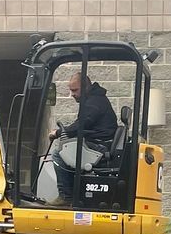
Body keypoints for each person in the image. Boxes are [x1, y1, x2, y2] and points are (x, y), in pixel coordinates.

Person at [48, 71, 119, 202]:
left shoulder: (94, 102)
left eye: (75, 90)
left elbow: (82, 124)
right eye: (71, 90)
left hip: (101, 145)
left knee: (59, 154)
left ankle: (66, 197)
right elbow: (81, 124)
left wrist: (58, 133)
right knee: (68, 148)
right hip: (100, 141)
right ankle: (74, 194)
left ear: (86, 87)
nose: (72, 94)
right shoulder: (94, 99)